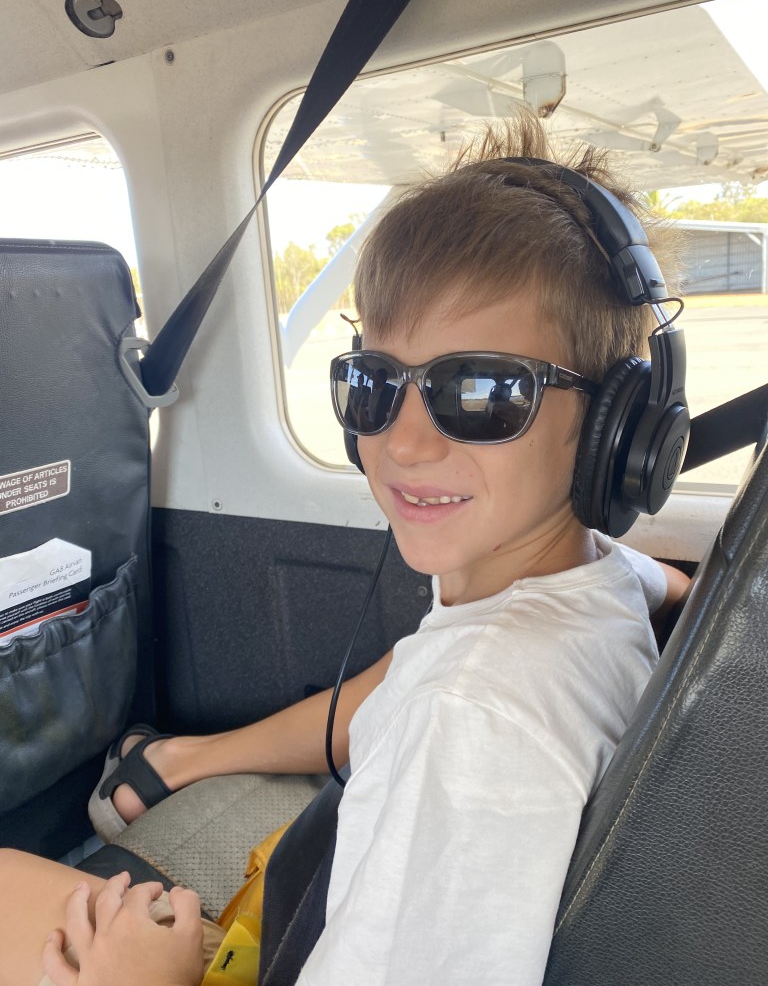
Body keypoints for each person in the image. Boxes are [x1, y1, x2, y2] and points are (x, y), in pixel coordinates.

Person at [0, 113, 691, 986]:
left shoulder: (472, 720)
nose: (402, 443)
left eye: (481, 393)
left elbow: (453, 699)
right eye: (374, 384)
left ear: (613, 431)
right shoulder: (598, 582)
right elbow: (435, 667)